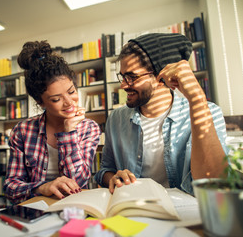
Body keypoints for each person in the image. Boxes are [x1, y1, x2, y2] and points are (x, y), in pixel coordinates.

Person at [94, 33, 228, 194]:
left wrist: (197, 99)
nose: (123, 85)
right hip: (135, 209)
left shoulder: (207, 112)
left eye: (131, 77)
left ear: (161, 76)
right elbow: (105, 170)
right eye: (122, 77)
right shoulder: (117, 119)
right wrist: (114, 178)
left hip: (186, 214)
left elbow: (216, 184)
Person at [4, 40, 101, 204]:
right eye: (56, 99)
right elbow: (11, 187)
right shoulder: (22, 131)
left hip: (74, 206)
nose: (69, 102)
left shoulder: (89, 128)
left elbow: (78, 181)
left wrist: (69, 132)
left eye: (71, 91)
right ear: (40, 102)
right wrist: (42, 187)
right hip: (35, 208)